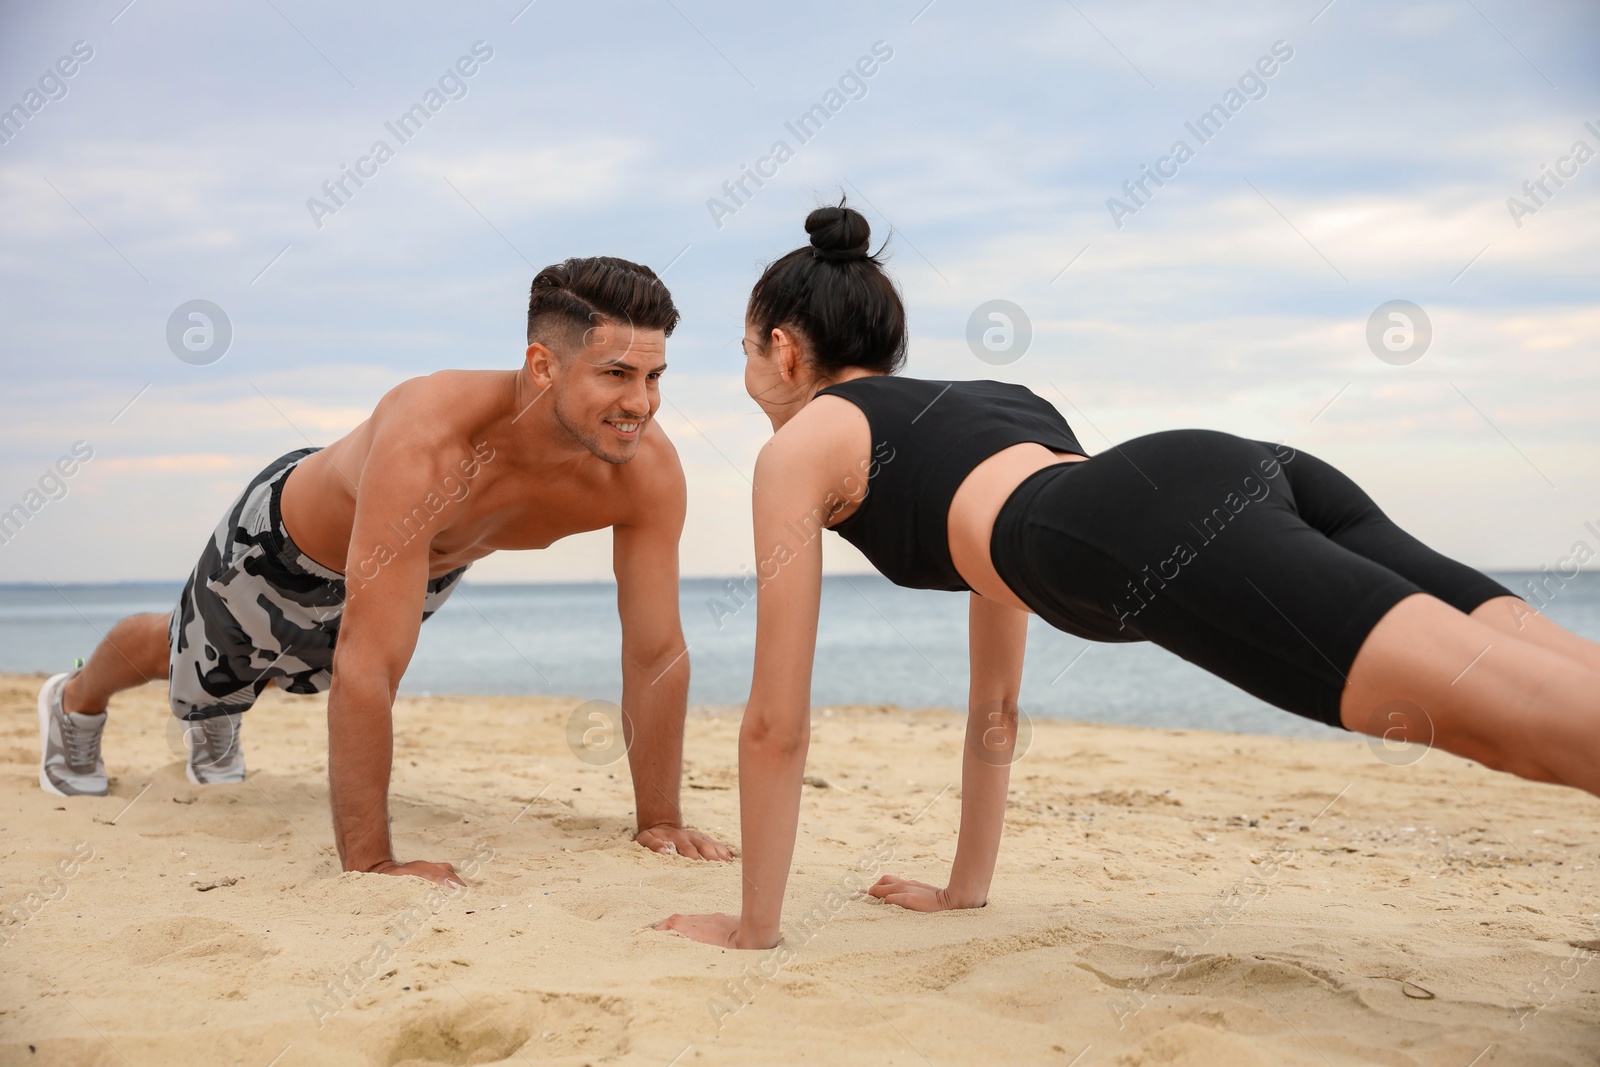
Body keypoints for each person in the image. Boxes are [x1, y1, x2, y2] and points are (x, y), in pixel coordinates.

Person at [658, 204, 1600, 949]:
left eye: (745, 352)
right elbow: (999, 701)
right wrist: (963, 888)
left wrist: (754, 928)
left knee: (1516, 723)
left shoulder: (802, 448)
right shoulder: (994, 404)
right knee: (1554, 671)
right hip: (1251, 464)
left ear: (784, 347)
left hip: (1160, 529)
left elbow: (777, 720)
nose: (748, 376)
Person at [38, 256, 731, 882]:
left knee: (304, 669)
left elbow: (655, 651)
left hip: (426, 561)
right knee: (190, 655)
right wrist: (371, 862)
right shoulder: (431, 437)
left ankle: (228, 700)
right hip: (287, 543)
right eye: (616, 374)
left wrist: (659, 818)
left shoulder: (645, 469)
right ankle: (75, 702)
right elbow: (370, 664)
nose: (641, 403)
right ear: (544, 365)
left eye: (653, 376)